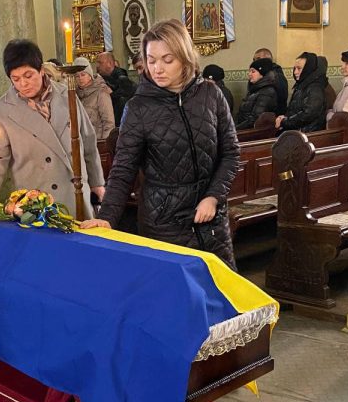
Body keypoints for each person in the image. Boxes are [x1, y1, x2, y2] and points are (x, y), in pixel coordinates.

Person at [81, 19, 239, 270]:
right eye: (151, 60)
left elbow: (230, 153)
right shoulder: (138, 107)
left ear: (184, 57)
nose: (158, 69)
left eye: (167, 60)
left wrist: (213, 197)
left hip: (211, 220)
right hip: (163, 222)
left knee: (222, 288)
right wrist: (107, 217)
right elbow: (123, 169)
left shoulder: (211, 94)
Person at [0, 39, 105, 218]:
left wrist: (97, 182)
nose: (23, 84)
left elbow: (88, 140)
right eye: (16, 79)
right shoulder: (3, 110)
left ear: (41, 70)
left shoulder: (67, 95)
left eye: (28, 76)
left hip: (74, 194)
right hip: (36, 201)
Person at [275, 52, 327, 133]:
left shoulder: (315, 88)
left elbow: (308, 114)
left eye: (299, 68)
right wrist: (284, 118)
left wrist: (285, 121)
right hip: (297, 132)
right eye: (295, 68)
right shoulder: (302, 85)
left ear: (308, 69)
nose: (295, 72)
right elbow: (294, 110)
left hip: (307, 134)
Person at [73, 56, 115, 139]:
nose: (80, 78)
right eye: (77, 76)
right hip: (81, 141)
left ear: (90, 75)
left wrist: (104, 143)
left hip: (97, 140)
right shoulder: (75, 94)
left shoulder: (101, 92)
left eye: (83, 75)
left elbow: (108, 122)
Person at [235, 58, 278, 130]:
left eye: (253, 71)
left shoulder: (267, 92)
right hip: (243, 129)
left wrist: (235, 129)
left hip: (251, 132)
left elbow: (256, 118)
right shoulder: (254, 89)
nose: (249, 74)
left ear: (262, 74)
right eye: (249, 71)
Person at [95, 51, 136, 123]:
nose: (97, 66)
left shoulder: (122, 79)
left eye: (100, 63)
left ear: (110, 63)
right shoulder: (101, 78)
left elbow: (124, 101)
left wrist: (111, 94)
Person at [253, 47, 288, 115]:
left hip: (272, 116)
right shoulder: (263, 74)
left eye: (257, 59)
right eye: (254, 60)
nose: (254, 63)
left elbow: (280, 99)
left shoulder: (276, 76)